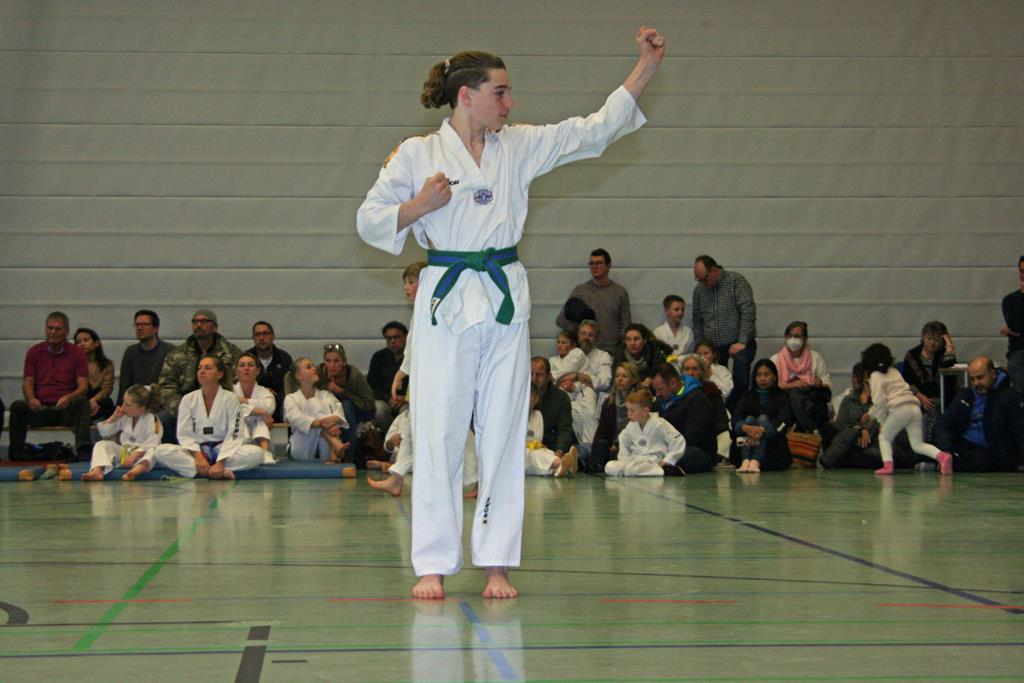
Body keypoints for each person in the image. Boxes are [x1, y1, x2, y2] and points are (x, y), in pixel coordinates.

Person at [356, 26, 664, 599]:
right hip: (446, 300)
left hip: (502, 299)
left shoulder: (517, 145)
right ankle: (433, 563)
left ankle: (496, 561)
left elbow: (594, 131)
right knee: (438, 430)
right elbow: (368, 219)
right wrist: (418, 206)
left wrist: (646, 66)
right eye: (500, 92)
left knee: (503, 428)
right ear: (466, 95)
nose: (509, 102)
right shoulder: (417, 153)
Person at [124, 355, 265, 480]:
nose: (202, 371)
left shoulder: (231, 398)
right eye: (199, 368)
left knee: (257, 454)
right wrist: (198, 456)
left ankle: (210, 470)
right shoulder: (188, 399)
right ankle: (213, 472)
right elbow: (184, 433)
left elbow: (235, 433)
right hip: (197, 451)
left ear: (220, 374)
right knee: (162, 451)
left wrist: (221, 461)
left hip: (223, 450)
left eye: (208, 368)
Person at [8, 312, 91, 458]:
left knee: (82, 402)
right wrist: (31, 399)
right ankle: (16, 451)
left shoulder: (77, 353)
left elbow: (83, 386)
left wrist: (69, 397)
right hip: (40, 409)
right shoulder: (34, 352)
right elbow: (28, 382)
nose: (53, 332)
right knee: (17, 407)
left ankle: (83, 450)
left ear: (66, 331)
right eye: (50, 328)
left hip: (65, 409)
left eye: (57, 329)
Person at [860, 343, 952, 476]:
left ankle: (887, 466)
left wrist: (882, 422)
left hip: (899, 410)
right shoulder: (894, 371)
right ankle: (942, 456)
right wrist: (870, 414)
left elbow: (879, 400)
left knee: (884, 437)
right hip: (914, 408)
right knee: (918, 445)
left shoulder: (875, 376)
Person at [157, 308, 242, 442]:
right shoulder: (177, 354)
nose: (198, 325)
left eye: (204, 321)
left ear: (214, 327)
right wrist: (183, 409)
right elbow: (166, 385)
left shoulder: (231, 353)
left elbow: (240, 382)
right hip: (184, 406)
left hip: (221, 407)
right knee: (161, 420)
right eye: (195, 322)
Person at [932, 356, 1024, 472]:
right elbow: (944, 422)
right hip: (961, 445)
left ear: (992, 374)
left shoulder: (1010, 397)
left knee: (981, 460)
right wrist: (945, 449)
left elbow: (1020, 430)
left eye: (980, 377)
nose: (976, 383)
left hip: (991, 452)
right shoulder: (965, 395)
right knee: (923, 450)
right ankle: (944, 462)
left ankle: (940, 464)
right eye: (972, 379)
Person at [820, 363, 917, 470]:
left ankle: (845, 460)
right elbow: (840, 425)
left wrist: (866, 428)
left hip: (875, 442)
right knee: (830, 429)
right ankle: (849, 459)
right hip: (852, 442)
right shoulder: (849, 400)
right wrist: (858, 429)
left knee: (877, 453)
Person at [691, 255, 756, 411]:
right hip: (712, 347)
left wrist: (742, 341)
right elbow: (697, 319)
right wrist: (700, 347)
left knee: (740, 376)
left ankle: (736, 412)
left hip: (737, 343)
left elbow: (748, 311)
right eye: (699, 280)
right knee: (708, 381)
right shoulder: (699, 290)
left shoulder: (736, 281)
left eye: (704, 279)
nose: (702, 283)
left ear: (714, 270)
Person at [556, 248, 632, 353]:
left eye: (599, 263)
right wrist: (583, 329)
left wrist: (620, 350)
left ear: (608, 266)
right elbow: (561, 320)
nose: (594, 266)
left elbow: (626, 326)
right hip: (584, 353)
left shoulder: (620, 292)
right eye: (591, 263)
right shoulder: (580, 291)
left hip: (611, 352)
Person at [81, 384, 162, 481]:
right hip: (125, 454)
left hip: (142, 457)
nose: (123, 407)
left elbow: (153, 442)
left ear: (141, 408)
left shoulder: (152, 419)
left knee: (153, 451)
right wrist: (114, 417)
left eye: (128, 405)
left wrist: (135, 455)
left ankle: (133, 473)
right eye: (123, 402)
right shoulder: (124, 416)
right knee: (101, 444)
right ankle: (97, 471)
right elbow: (104, 432)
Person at [649, 363, 717, 473]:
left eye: (660, 389)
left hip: (696, 451)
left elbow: (693, 437)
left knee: (685, 455)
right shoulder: (660, 401)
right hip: (667, 447)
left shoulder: (697, 399)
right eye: (655, 390)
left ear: (673, 383)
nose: (657, 394)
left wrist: (666, 448)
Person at [769, 321, 832, 433]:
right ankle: (811, 429)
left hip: (810, 396)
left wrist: (820, 383)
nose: (793, 339)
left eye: (797, 336)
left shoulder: (815, 357)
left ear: (805, 339)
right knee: (795, 393)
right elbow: (770, 386)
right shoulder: (776, 359)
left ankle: (808, 429)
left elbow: (827, 381)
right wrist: (792, 385)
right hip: (785, 398)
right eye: (790, 335)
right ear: (785, 337)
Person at [605, 390, 686, 477]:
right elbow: (623, 441)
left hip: (653, 461)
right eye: (628, 410)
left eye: (632, 410)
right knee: (609, 466)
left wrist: (669, 459)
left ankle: (664, 470)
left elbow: (678, 440)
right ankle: (638, 471)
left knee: (633, 469)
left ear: (645, 411)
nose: (628, 414)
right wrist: (624, 461)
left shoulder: (659, 424)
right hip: (634, 460)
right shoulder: (631, 426)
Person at [731, 359, 793, 473]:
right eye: (758, 375)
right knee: (749, 419)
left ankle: (755, 461)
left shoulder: (782, 396)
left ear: (774, 377)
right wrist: (745, 428)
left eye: (766, 374)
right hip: (745, 444)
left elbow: (785, 421)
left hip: (772, 451)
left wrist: (763, 429)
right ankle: (746, 461)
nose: (762, 379)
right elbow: (735, 419)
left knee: (762, 419)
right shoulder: (747, 395)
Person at [283, 357, 349, 462]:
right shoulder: (291, 398)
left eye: (314, 366)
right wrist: (327, 425)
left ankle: (333, 448)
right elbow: (297, 419)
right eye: (309, 367)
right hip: (301, 450)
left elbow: (338, 415)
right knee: (314, 404)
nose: (314, 369)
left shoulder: (326, 395)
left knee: (315, 405)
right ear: (299, 376)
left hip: (324, 449)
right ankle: (335, 446)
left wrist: (329, 422)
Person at [319, 343, 375, 463]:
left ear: (344, 362)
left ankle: (349, 455)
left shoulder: (353, 375)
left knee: (346, 406)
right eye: (328, 361)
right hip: (328, 409)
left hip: (356, 410)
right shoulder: (318, 374)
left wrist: (342, 392)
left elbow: (369, 403)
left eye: (336, 361)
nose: (332, 365)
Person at [550, 330, 598, 452]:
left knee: (589, 414)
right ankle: (583, 448)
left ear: (573, 345)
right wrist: (563, 381)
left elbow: (564, 371)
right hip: (565, 391)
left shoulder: (578, 353)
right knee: (572, 416)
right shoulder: (553, 360)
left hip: (583, 390)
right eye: (558, 342)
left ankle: (592, 448)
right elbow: (553, 378)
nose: (560, 345)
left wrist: (564, 379)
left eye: (564, 342)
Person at [590, 362, 641, 473]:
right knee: (600, 446)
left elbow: (638, 431)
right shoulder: (609, 403)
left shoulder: (640, 403)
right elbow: (602, 431)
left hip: (632, 444)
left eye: (624, 376)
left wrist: (618, 445)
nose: (620, 379)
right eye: (617, 376)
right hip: (611, 444)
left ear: (634, 380)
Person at [679, 352, 731, 461]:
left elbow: (722, 421)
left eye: (695, 369)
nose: (690, 373)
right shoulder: (676, 391)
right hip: (683, 437)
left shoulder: (711, 389)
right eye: (686, 369)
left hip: (708, 437)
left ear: (702, 372)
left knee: (725, 436)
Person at [117, 309, 174, 405]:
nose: (140, 328)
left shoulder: (170, 351)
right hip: (135, 403)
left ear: (156, 328)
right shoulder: (130, 352)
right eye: (137, 325)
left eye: (145, 324)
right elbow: (124, 386)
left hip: (161, 403)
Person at [524, 387, 579, 477]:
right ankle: (562, 464)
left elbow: (538, 439)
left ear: (536, 399)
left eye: (530, 396)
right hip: (522, 453)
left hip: (534, 448)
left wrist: (535, 445)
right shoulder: (515, 415)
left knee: (547, 452)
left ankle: (560, 469)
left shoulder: (538, 415)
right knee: (534, 456)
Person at [245, 321, 293, 422]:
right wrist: (262, 392)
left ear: (273, 336)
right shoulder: (246, 358)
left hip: (279, 406)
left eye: (265, 333)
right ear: (253, 338)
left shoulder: (284, 358)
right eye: (257, 334)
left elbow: (290, 388)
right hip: (252, 406)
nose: (262, 338)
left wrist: (275, 395)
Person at [367, 321, 408, 431]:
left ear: (406, 337)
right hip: (385, 399)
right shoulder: (379, 357)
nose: (392, 341)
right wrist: (388, 398)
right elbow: (371, 385)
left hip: (408, 400)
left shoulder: (415, 356)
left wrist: (406, 398)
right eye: (389, 338)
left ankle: (402, 439)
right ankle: (388, 438)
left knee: (407, 412)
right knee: (379, 410)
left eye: (396, 337)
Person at [531, 357, 576, 457]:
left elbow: (564, 430)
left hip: (553, 446)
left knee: (580, 452)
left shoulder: (561, 397)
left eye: (539, 375)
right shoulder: (519, 396)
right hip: (528, 446)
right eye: (531, 374)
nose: (534, 379)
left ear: (548, 377)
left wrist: (559, 452)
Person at [233, 352, 276, 456]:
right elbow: (230, 408)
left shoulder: (265, 392)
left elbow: (269, 408)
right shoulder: (229, 391)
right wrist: (261, 412)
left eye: (251, 365)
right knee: (245, 418)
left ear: (258, 371)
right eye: (242, 365)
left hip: (259, 440)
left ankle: (266, 454)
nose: (246, 368)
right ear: (236, 371)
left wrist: (242, 401)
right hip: (237, 443)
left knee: (260, 421)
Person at [74, 327, 116, 421]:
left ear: (96, 343)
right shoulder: (72, 364)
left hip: (99, 400)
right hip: (79, 400)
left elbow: (107, 389)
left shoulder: (107, 364)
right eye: (78, 342)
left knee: (107, 404)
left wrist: (94, 400)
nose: (82, 344)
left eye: (86, 340)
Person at [1000, 255, 1024, 393]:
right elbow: (1016, 325)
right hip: (1019, 351)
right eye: (1022, 271)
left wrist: (1015, 332)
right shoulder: (1010, 300)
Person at [652, 295, 695, 367]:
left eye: (682, 310)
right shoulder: (658, 332)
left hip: (684, 368)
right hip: (665, 368)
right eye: (676, 309)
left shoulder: (688, 332)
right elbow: (656, 356)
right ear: (667, 311)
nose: (680, 312)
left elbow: (691, 354)